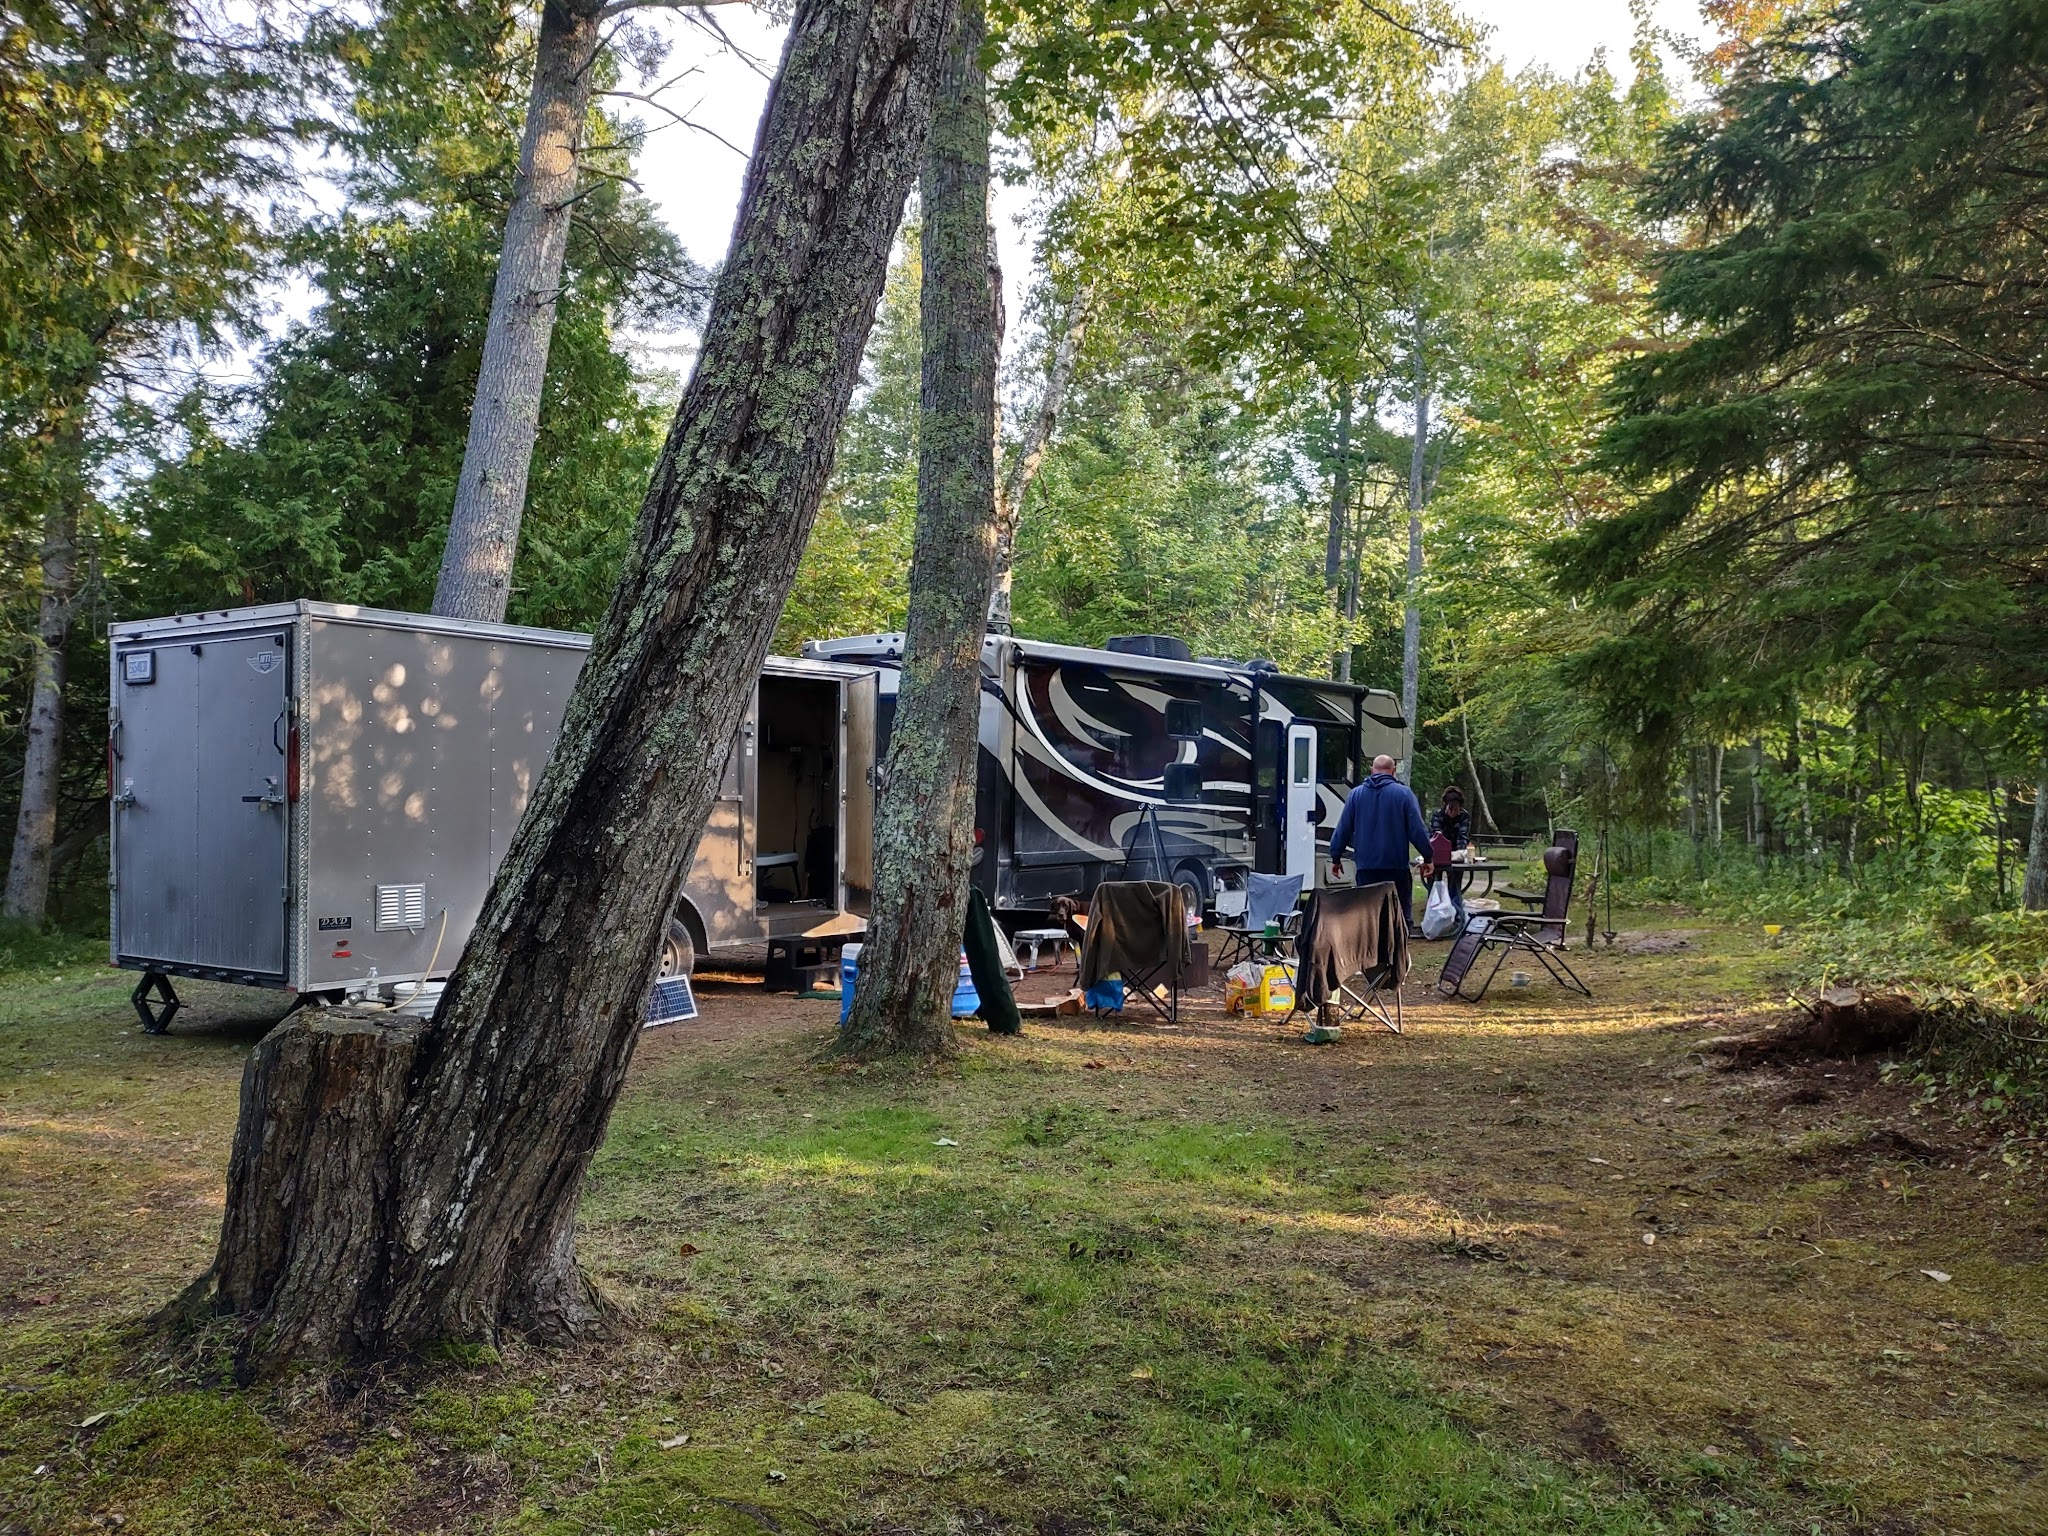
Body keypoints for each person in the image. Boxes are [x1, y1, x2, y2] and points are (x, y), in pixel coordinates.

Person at [1326, 755, 1433, 928]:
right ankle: (1398, 943)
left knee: (1368, 916)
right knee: (1398, 916)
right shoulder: (1404, 794)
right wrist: (1428, 857)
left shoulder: (1356, 795)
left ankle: (1371, 944)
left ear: (1372, 770)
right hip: (1396, 867)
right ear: (1393, 771)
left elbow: (1343, 829)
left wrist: (1336, 857)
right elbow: (1417, 830)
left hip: (1366, 868)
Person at [1429, 786, 1473, 924]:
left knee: (1455, 883)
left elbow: (1462, 836)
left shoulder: (1464, 816)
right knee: (1435, 882)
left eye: (1456, 809)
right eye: (1450, 809)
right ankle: (1435, 913)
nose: (1453, 813)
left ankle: (1456, 913)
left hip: (1456, 853)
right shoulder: (1438, 815)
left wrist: (1460, 852)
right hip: (1438, 853)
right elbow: (1436, 835)